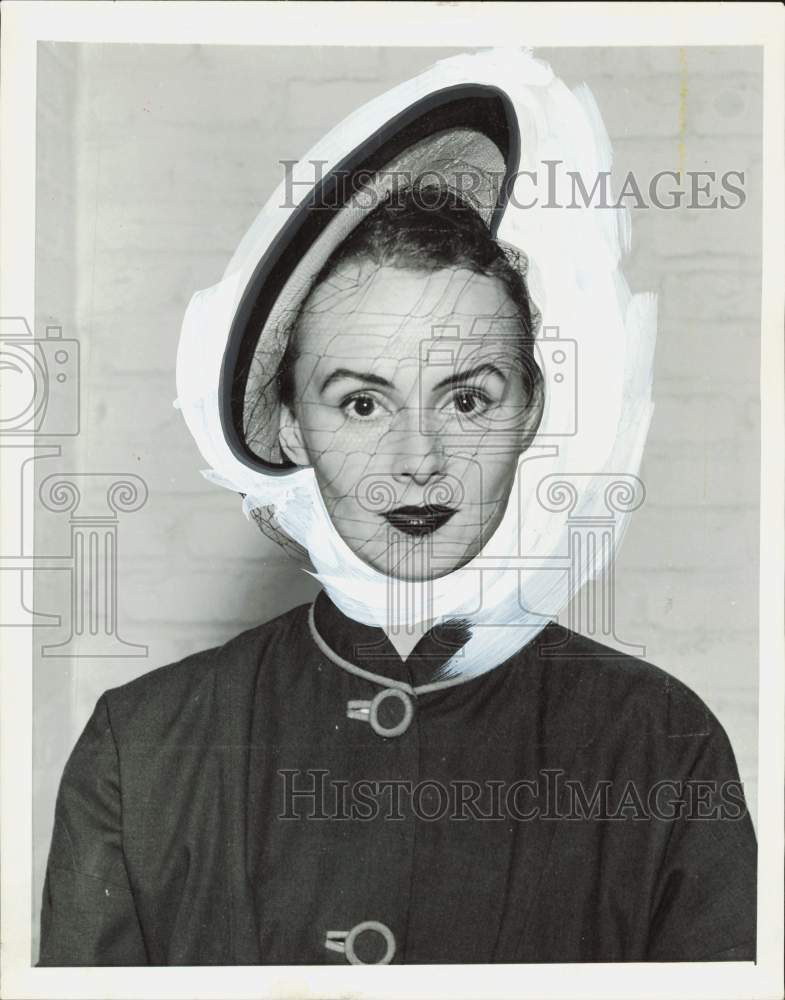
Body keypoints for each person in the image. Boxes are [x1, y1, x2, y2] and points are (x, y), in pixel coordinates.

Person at [38, 48, 756, 967]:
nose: (417, 462)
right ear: (293, 427)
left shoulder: (663, 750)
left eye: (466, 399)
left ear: (531, 410)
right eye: (362, 403)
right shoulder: (139, 756)